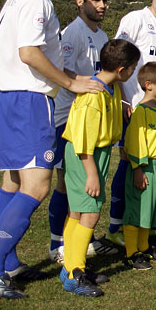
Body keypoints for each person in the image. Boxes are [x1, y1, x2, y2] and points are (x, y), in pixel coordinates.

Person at [0, 0, 103, 300]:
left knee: (13, 183)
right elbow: (29, 53)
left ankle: (9, 261)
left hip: (8, 99)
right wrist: (70, 82)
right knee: (37, 187)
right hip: (28, 101)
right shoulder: (37, 2)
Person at [59, 39, 140, 296]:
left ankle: (72, 267)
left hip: (96, 153)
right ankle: (75, 274)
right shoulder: (93, 95)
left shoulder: (110, 89)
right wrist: (91, 174)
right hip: (86, 156)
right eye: (133, 67)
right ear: (121, 69)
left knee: (77, 212)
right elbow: (83, 140)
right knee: (90, 213)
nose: (133, 73)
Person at [48, 0, 118, 264]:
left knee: (84, 189)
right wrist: (78, 84)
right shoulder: (72, 32)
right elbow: (59, 68)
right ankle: (58, 245)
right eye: (97, 1)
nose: (102, 6)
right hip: (68, 118)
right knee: (66, 184)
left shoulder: (101, 36)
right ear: (81, 2)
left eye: (104, 1)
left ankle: (80, 240)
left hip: (92, 118)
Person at [106, 0, 156, 245]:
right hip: (132, 104)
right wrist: (125, 99)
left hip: (153, 108)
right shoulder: (134, 19)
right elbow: (118, 58)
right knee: (129, 162)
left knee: (147, 165)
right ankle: (116, 225)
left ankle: (137, 222)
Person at [121, 62, 156, 270]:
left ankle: (144, 247)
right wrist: (138, 168)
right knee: (137, 209)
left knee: (149, 210)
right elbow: (134, 142)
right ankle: (131, 252)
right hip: (144, 167)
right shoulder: (140, 111)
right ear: (149, 85)